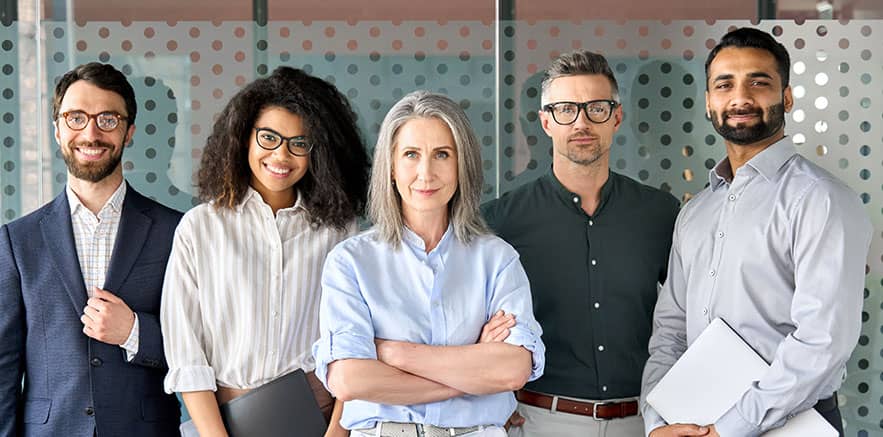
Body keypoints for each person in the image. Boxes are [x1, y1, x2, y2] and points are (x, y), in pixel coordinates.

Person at [640, 27, 873, 437]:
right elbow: (670, 331)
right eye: (724, 84)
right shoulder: (694, 213)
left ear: (786, 96)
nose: (740, 97)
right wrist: (659, 418)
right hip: (696, 424)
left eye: (758, 82)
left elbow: (823, 343)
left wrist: (731, 427)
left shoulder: (821, 200)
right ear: (709, 102)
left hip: (793, 424)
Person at [312, 90, 545, 437]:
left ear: (461, 164)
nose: (426, 172)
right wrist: (472, 367)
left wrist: (392, 353)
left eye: (442, 154)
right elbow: (348, 379)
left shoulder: (498, 260)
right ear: (390, 166)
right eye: (410, 154)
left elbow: (512, 371)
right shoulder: (351, 262)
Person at [160, 66, 370, 437]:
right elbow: (186, 353)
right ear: (244, 138)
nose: (282, 155)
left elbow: (355, 344)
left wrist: (338, 433)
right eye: (269, 137)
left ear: (317, 152)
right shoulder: (200, 228)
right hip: (220, 423)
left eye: (299, 143)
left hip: (317, 420)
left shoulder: (340, 231)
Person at [481, 51, 680, 436]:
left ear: (617, 117)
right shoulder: (501, 221)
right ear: (545, 122)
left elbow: (690, 316)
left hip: (643, 422)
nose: (582, 122)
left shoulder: (660, 213)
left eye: (596, 109)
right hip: (540, 420)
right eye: (566, 110)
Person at [0, 62, 182, 436]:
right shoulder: (17, 241)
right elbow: (3, 365)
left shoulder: (176, 231)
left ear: (129, 131)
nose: (92, 132)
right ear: (57, 129)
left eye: (108, 119)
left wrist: (134, 331)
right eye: (76, 118)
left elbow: (203, 346)